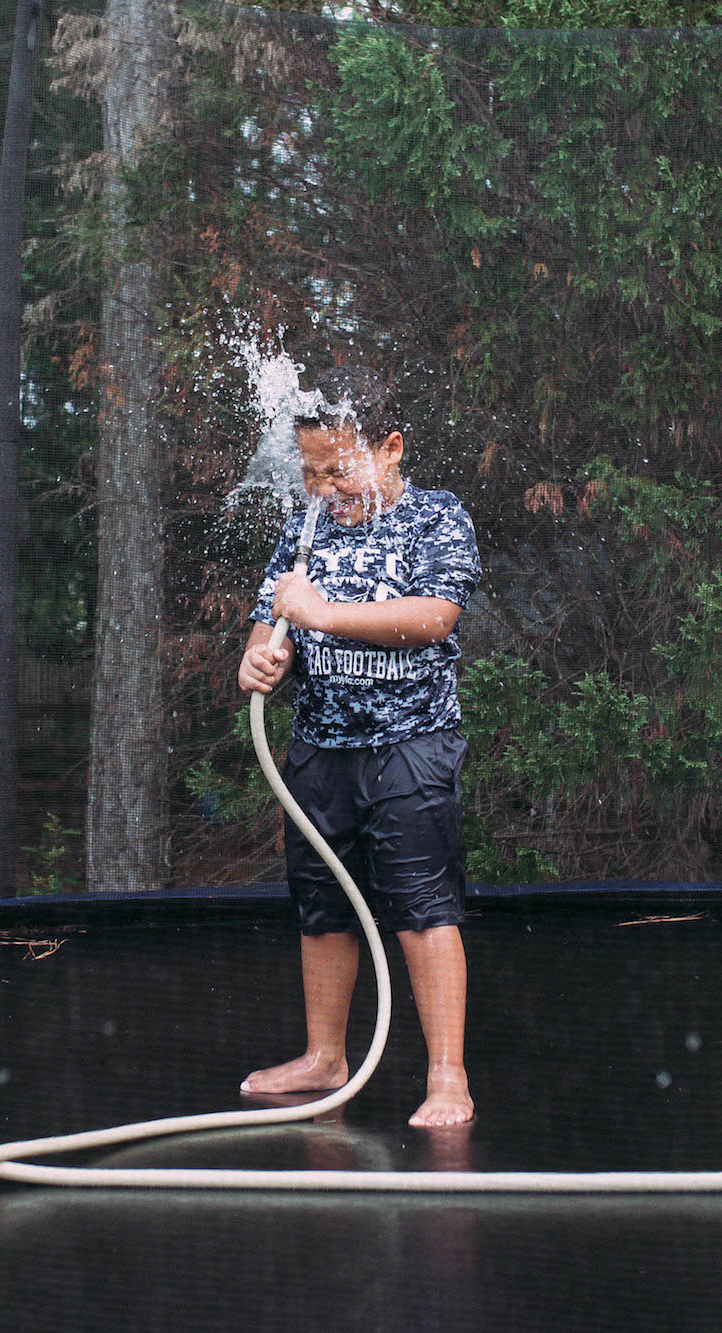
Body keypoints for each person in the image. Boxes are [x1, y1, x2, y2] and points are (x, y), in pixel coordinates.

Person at [236, 364, 480, 1129]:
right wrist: (261, 656)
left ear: (392, 448)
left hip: (411, 746)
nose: (324, 486)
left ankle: (448, 1073)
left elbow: (436, 617)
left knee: (421, 906)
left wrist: (324, 615)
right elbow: (272, 615)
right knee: (323, 905)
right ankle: (324, 1056)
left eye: (338, 468)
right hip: (321, 749)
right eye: (310, 471)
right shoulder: (302, 528)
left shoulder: (437, 519)